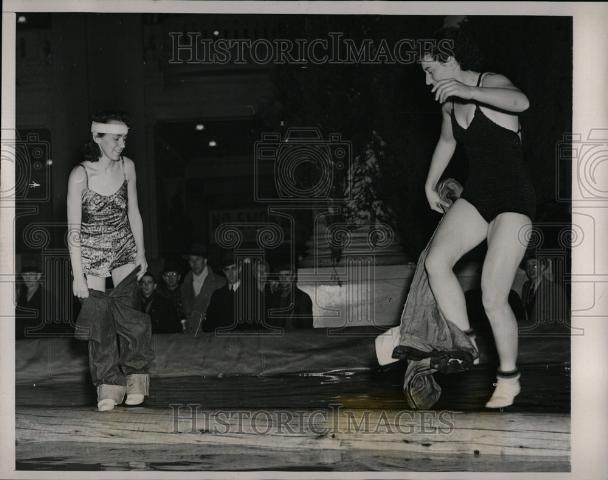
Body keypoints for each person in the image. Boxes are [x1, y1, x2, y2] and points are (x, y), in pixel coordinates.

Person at [420, 26, 535, 408]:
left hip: (514, 201)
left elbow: (521, 103)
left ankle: (508, 377)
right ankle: (464, 341)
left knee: (493, 296)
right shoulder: (449, 103)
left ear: (451, 62)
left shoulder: (490, 83)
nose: (427, 79)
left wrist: (468, 90)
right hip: (478, 197)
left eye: (430, 69)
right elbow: (448, 141)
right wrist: (430, 184)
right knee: (436, 262)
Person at [67, 112, 153, 411]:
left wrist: (141, 252)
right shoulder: (80, 174)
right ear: (97, 138)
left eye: (124, 138)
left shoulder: (128, 167)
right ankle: (108, 386)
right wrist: (78, 276)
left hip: (123, 250)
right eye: (116, 138)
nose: (122, 144)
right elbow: (74, 231)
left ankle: (136, 378)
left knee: (131, 320)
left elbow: (134, 213)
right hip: (90, 254)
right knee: (99, 323)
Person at [180, 243, 226, 335]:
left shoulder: (220, 282)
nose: (194, 263)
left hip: (212, 336)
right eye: (191, 260)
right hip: (189, 337)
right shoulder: (184, 285)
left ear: (205, 260)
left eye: (197, 259)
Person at [521, 256, 568, 330]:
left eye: (534, 265)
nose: (530, 269)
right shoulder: (526, 286)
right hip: (530, 331)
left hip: (547, 334)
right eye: (528, 266)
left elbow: (561, 320)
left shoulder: (555, 289)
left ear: (542, 267)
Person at [267, 261, 314, 330]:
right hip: (276, 338)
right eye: (281, 275)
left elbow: (306, 326)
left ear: (293, 276)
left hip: (294, 338)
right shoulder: (275, 296)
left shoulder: (302, 297)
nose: (283, 279)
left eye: (287, 275)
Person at [157, 258, 186, 324]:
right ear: (163, 278)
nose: (171, 278)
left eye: (173, 274)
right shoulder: (159, 294)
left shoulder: (185, 292)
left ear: (179, 277)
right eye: (168, 275)